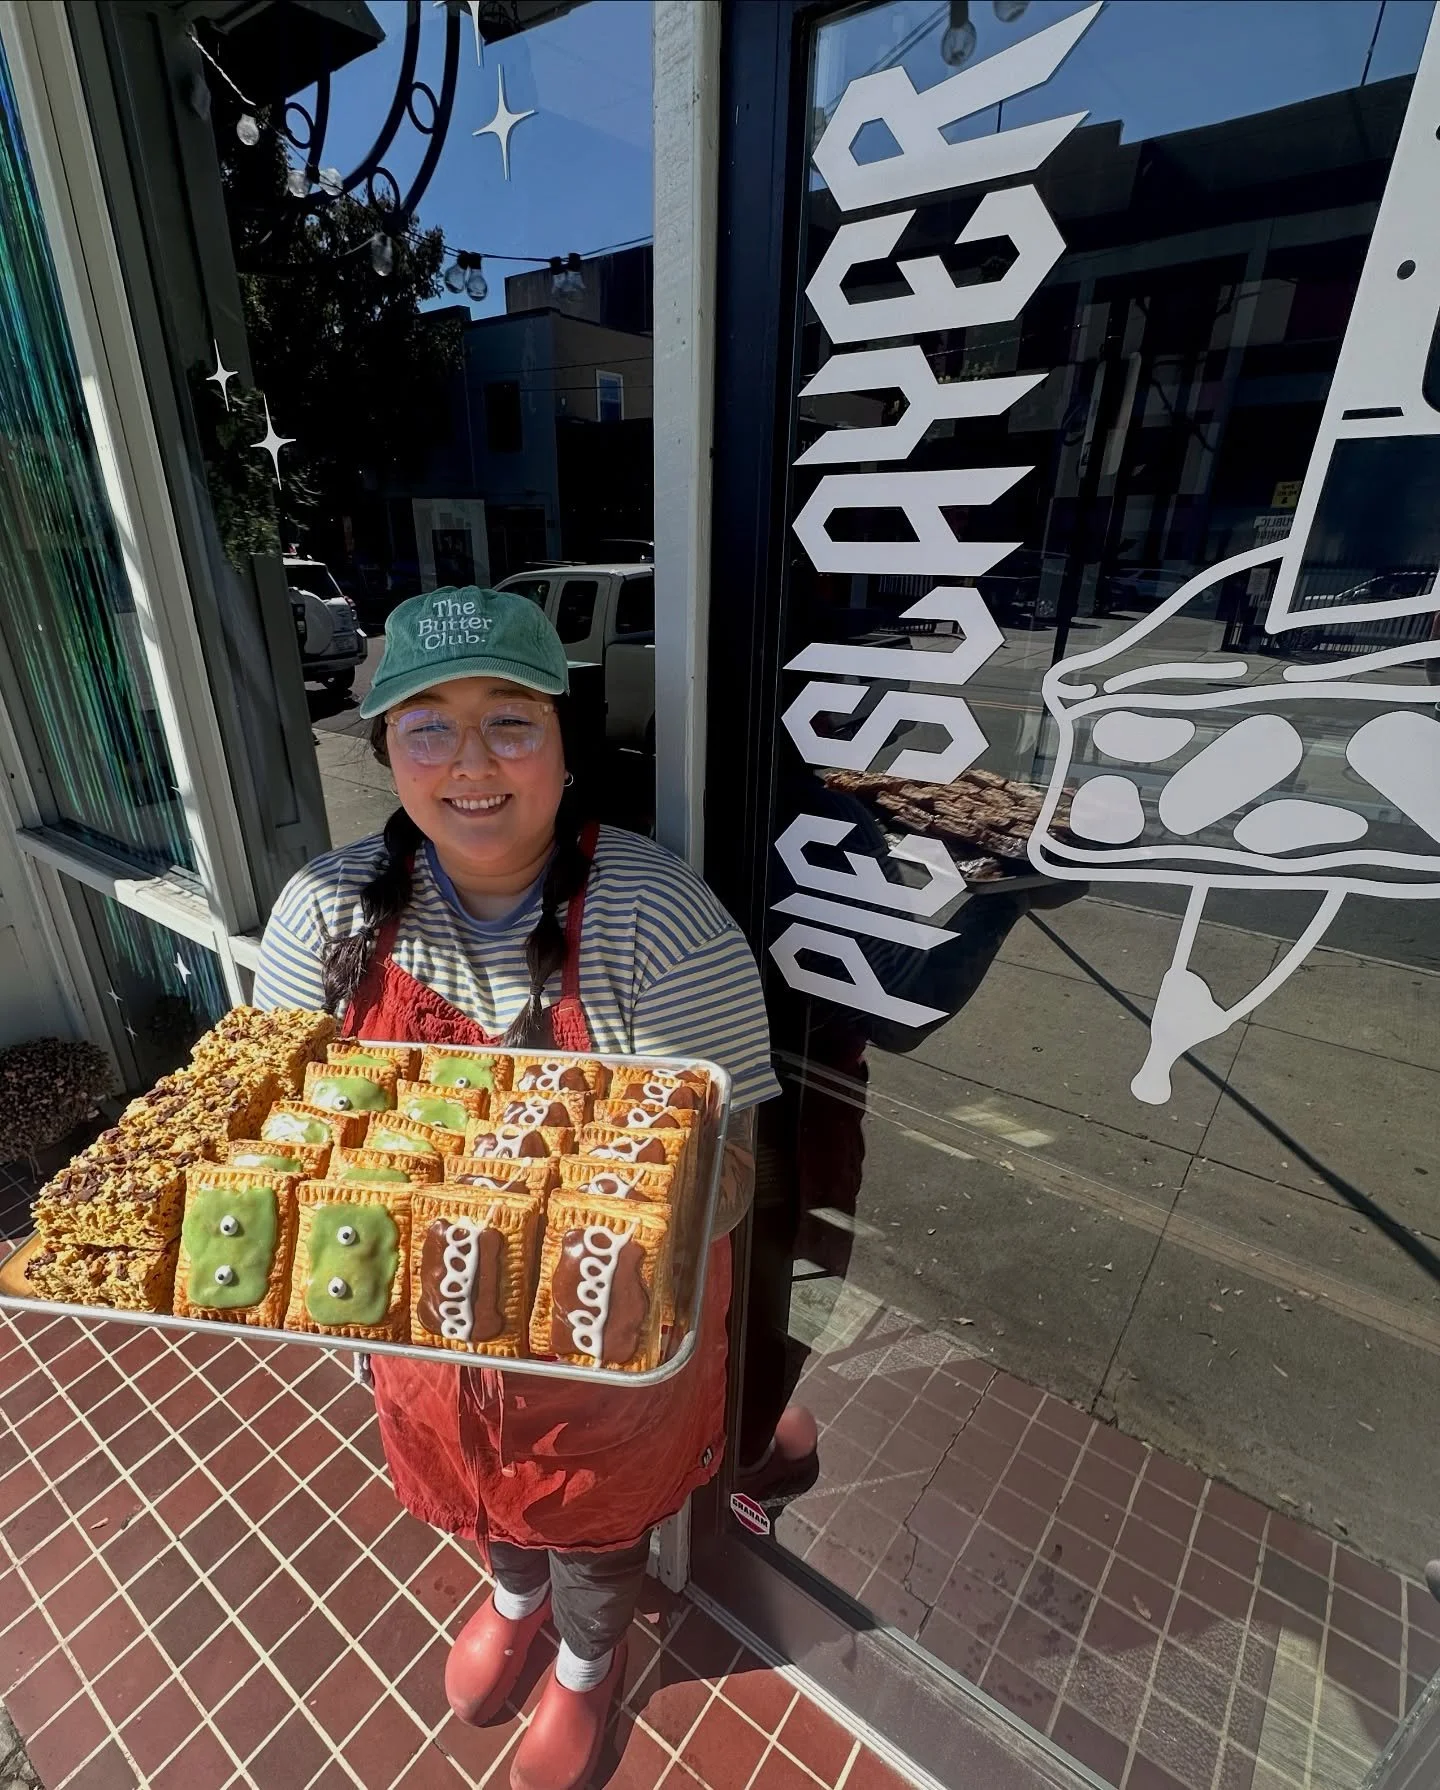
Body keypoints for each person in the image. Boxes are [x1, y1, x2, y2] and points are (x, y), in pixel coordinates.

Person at [254, 587, 780, 1790]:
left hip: (604, 1342)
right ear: (384, 744)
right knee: (474, 1477)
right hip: (421, 1330)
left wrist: (558, 1223)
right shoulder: (327, 911)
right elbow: (271, 1124)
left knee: (595, 1516)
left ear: (562, 737)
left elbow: (732, 1170)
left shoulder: (659, 920)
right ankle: (507, 1589)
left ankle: (590, 1667)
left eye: (510, 720)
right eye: (427, 726)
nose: (470, 762)